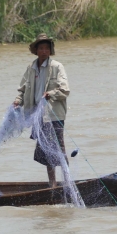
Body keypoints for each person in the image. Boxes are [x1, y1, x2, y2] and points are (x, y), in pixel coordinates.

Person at [13, 33, 70, 187]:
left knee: (60, 147)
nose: (44, 51)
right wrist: (18, 101)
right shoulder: (31, 68)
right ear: (36, 50)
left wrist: (50, 94)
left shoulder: (57, 67)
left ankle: (67, 182)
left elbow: (64, 90)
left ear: (50, 50)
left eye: (47, 48)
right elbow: (22, 89)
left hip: (54, 114)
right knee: (46, 150)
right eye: (41, 48)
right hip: (38, 116)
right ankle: (52, 183)